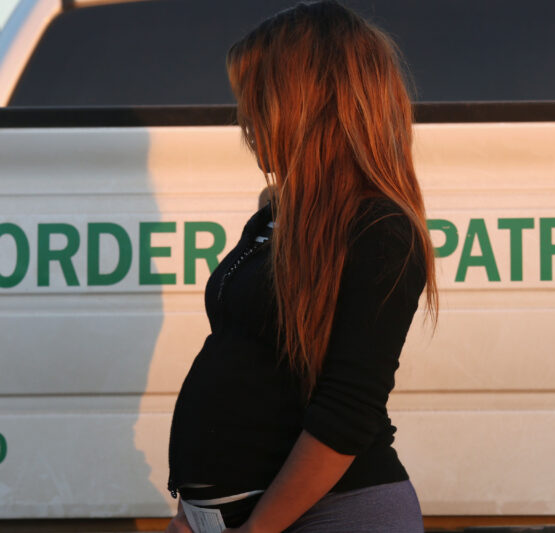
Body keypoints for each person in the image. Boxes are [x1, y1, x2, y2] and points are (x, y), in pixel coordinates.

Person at [166, 2, 437, 531]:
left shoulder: (380, 230)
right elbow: (235, 361)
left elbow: (345, 414)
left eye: (256, 99)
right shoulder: (279, 215)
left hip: (332, 516)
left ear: (308, 102)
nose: (244, 118)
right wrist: (192, 512)